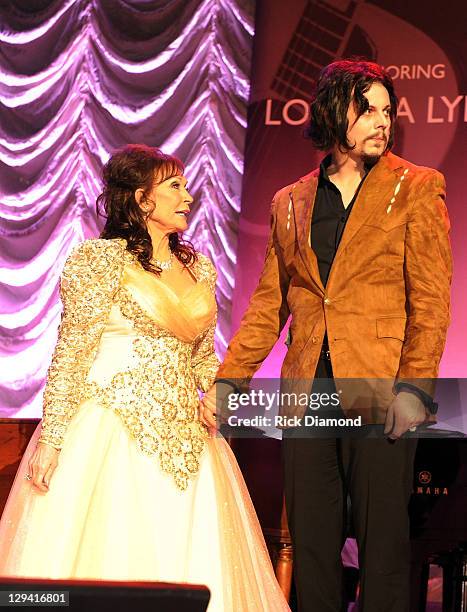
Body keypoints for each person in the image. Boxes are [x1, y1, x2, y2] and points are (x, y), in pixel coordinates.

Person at [201, 60, 452, 611]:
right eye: (369, 109)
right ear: (336, 111)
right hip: (307, 393)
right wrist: (230, 382)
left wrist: (416, 389)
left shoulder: (415, 187)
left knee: (382, 549)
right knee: (311, 546)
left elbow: (431, 301)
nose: (382, 122)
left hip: (380, 391)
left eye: (388, 111)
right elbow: (269, 304)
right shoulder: (289, 201)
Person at [0, 145, 290, 612]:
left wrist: (222, 392)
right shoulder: (98, 261)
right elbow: (72, 354)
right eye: (174, 185)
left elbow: (199, 356)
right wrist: (52, 438)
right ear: (141, 198)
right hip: (112, 430)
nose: (188, 197)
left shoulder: (198, 267)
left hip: (189, 439)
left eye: (186, 185)